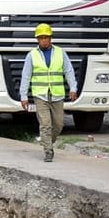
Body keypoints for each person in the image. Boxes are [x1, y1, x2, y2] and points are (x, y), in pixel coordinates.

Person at [20, 23, 78, 162]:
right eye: (41, 38)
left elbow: (68, 71)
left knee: (58, 125)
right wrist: (24, 96)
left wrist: (73, 88)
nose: (44, 40)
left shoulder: (60, 52)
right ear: (37, 39)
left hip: (57, 94)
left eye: (47, 37)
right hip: (40, 95)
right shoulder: (32, 55)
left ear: (51, 38)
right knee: (45, 124)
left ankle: (47, 141)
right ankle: (48, 151)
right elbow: (26, 76)